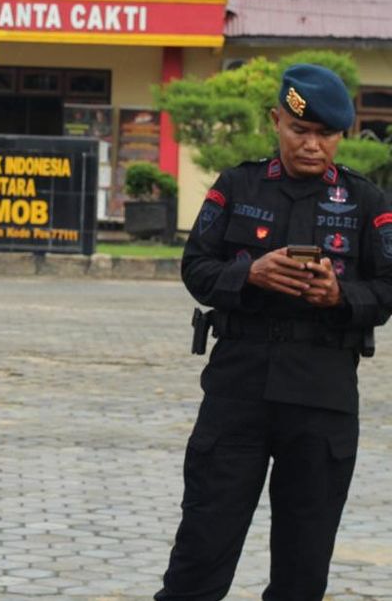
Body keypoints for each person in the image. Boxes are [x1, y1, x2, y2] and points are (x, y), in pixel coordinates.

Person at [157, 64, 392, 600]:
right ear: (276, 121)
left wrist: (340, 296)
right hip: (238, 390)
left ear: (342, 134)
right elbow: (196, 268)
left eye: (325, 134)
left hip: (322, 398)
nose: (313, 145)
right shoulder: (237, 185)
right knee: (201, 553)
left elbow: (387, 289)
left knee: (303, 568)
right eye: (299, 131)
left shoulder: (367, 202)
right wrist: (251, 273)